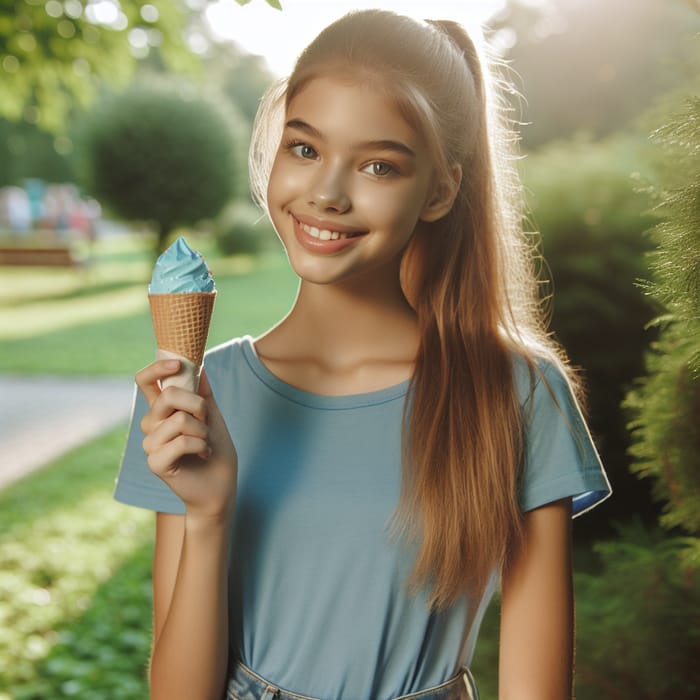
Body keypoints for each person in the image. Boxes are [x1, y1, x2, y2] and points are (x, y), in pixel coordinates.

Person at [115, 9, 611, 700]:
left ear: (439, 190)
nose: (326, 193)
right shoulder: (200, 393)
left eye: (378, 165)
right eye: (305, 149)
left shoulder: (517, 391)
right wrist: (207, 515)